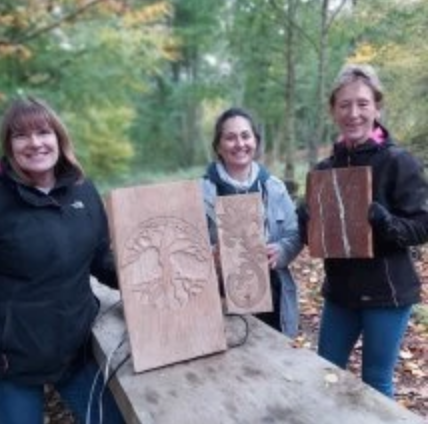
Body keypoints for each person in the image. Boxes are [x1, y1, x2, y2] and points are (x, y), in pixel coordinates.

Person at [298, 64, 428, 397]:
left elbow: (422, 225)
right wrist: (307, 219)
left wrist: (385, 223)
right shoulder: (324, 171)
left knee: (375, 382)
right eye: (344, 105)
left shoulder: (399, 162)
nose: (353, 113)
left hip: (387, 295)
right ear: (333, 111)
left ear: (377, 107)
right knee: (324, 372)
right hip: (341, 293)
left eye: (362, 103)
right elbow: (313, 238)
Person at [0, 97, 125, 423]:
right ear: (9, 146)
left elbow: (101, 260)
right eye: (21, 135)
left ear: (59, 137)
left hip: (76, 349)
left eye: (43, 132)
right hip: (15, 360)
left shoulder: (83, 191)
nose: (35, 143)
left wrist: (143, 281)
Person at [202, 107, 302, 338]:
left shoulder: (274, 187)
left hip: (271, 294)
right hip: (219, 298)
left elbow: (294, 233)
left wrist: (282, 250)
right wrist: (210, 255)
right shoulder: (200, 192)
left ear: (255, 141)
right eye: (230, 137)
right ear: (218, 146)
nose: (239, 143)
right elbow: (188, 246)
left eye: (245, 136)